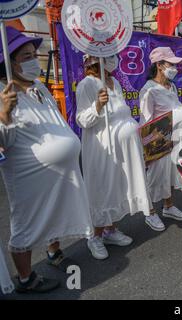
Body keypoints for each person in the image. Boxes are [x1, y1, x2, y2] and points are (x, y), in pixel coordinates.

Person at [0, 27, 92, 293]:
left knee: (56, 211)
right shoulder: (3, 93)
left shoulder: (38, 86)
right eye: (26, 56)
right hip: (28, 174)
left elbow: (54, 118)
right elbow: (3, 143)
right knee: (26, 224)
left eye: (33, 54)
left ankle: (54, 251)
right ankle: (26, 278)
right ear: (9, 63)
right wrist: (4, 114)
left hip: (57, 172)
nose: (33, 60)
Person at [76, 54, 152, 260]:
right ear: (95, 60)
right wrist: (97, 106)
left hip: (122, 149)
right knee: (103, 189)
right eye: (108, 56)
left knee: (117, 188)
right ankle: (95, 237)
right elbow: (82, 120)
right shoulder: (87, 84)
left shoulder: (115, 81)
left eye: (113, 55)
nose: (113, 59)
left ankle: (110, 230)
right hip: (102, 149)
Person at [140, 47, 182, 231]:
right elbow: (145, 122)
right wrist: (147, 152)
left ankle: (168, 206)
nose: (175, 68)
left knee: (170, 175)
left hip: (175, 141)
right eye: (171, 64)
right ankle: (150, 212)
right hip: (159, 143)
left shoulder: (172, 87)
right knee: (155, 178)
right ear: (159, 65)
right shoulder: (148, 90)